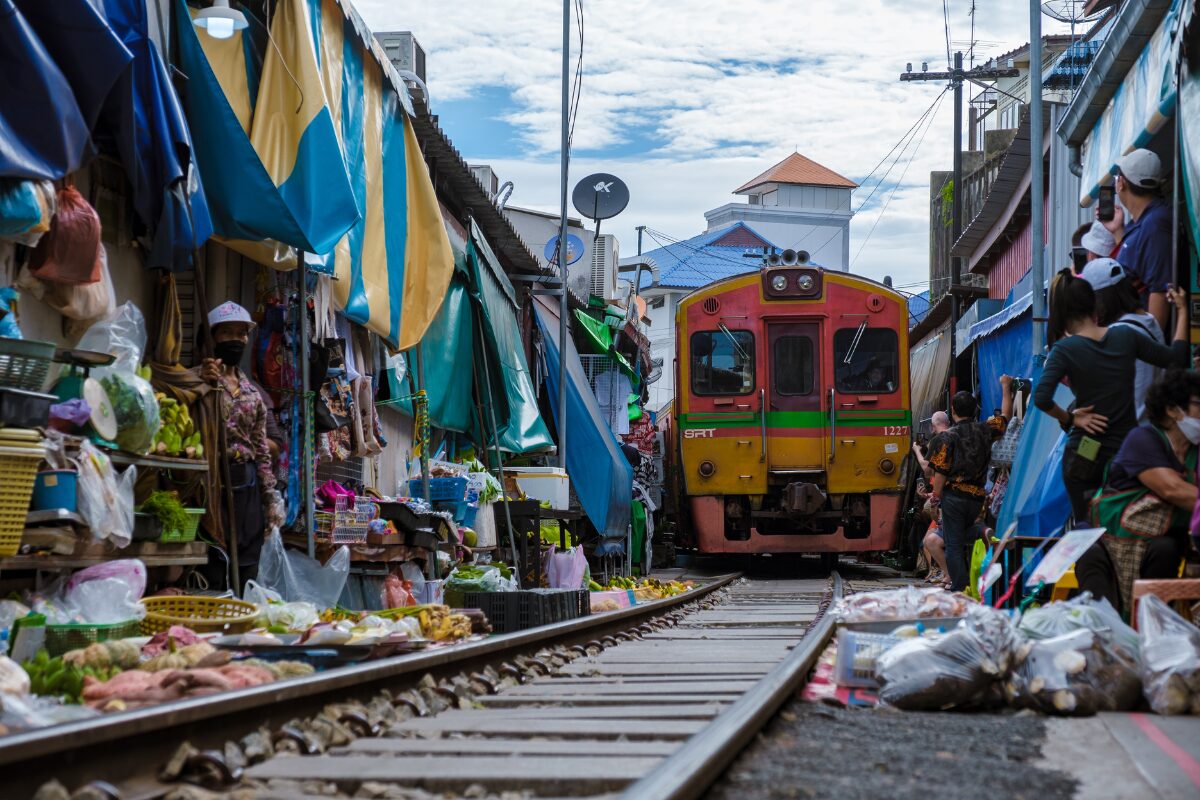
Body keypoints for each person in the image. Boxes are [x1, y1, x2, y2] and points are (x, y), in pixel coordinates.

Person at [1032, 270, 1190, 523]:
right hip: (1126, 453)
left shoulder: (1064, 350)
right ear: (1094, 304)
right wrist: (1182, 311)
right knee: (1126, 525)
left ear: (1060, 311)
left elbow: (1041, 398)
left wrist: (1072, 419)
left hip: (1086, 450)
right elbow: (1176, 359)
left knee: (1087, 529)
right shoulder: (1124, 336)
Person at [1076, 370, 1200, 617]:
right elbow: (1171, 489)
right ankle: (1103, 630)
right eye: (1198, 403)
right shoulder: (1143, 439)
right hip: (1108, 534)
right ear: (1173, 410)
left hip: (1161, 540)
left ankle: (1148, 627)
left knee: (1167, 549)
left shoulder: (1196, 452)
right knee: (1088, 550)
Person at [199, 302, 284, 593]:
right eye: (227, 333)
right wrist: (202, 383)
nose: (236, 340)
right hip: (211, 482)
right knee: (213, 560)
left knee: (247, 563)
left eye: (241, 333)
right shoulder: (201, 381)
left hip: (246, 485)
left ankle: (241, 620)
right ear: (212, 337)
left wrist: (269, 498)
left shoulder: (253, 395)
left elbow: (262, 451)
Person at [926, 376, 1015, 592]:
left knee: (953, 544)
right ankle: (982, 530)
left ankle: (960, 587)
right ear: (975, 410)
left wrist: (935, 497)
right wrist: (1005, 387)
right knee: (963, 533)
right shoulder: (985, 430)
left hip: (954, 497)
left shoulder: (947, 437)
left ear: (953, 412)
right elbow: (1006, 416)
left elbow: (941, 471)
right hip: (977, 497)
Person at [1098, 149, 1174, 330]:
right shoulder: (1140, 222)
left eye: (1117, 177)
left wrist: (1150, 347)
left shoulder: (1156, 223)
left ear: (1122, 183)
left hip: (1141, 343)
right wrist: (1117, 231)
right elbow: (1137, 265)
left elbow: (1160, 290)